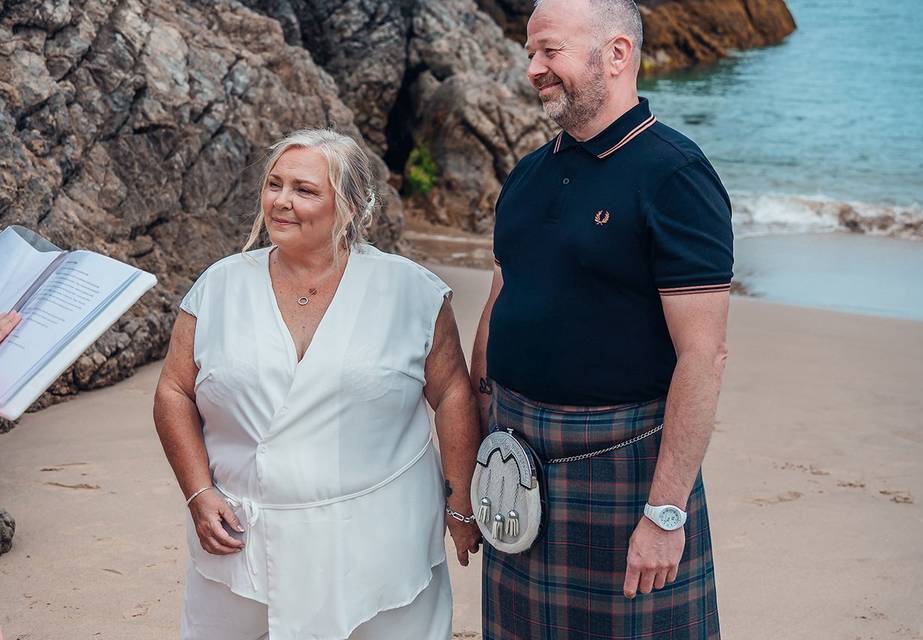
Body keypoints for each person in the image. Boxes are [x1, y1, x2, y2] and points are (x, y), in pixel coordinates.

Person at [154, 128, 483, 640]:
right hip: (242, 542)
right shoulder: (218, 286)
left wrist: (461, 504)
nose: (282, 201)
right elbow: (174, 391)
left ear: (349, 207)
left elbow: (452, 393)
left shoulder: (410, 292)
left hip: (379, 542)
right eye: (274, 184)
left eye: (304, 190)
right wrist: (197, 491)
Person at [471, 0, 733, 638]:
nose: (533, 68)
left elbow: (703, 357)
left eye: (549, 51)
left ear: (616, 55)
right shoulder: (528, 176)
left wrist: (666, 513)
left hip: (624, 468)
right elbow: (502, 297)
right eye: (530, 52)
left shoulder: (675, 176)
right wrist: (481, 451)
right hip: (517, 456)